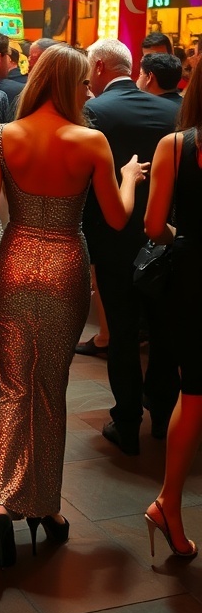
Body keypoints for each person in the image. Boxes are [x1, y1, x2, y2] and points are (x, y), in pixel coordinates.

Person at [0, 44, 147, 568]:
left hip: (12, 261)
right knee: (51, 389)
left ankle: (1, 504)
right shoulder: (91, 141)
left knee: (12, 389)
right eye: (84, 85)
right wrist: (130, 180)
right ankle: (45, 507)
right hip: (65, 266)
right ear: (71, 84)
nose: (89, 92)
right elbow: (117, 219)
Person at [84, 38, 180, 454]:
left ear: (101, 67)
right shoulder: (176, 111)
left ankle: (126, 421)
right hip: (167, 238)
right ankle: (162, 415)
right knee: (163, 331)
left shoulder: (95, 112)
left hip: (113, 236)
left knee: (121, 333)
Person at [143, 59, 202, 561]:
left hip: (193, 276)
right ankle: (166, 504)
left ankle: (170, 503)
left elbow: (154, 224)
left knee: (195, 389)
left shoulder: (176, 146)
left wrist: (185, 242)